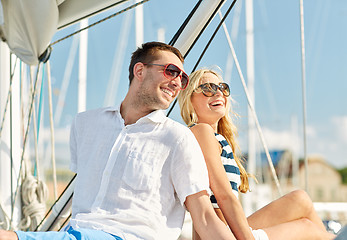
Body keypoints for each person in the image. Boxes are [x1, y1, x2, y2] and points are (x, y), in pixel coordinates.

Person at [0, 42, 236, 240]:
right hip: (77, 233)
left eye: (182, 78)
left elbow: (204, 216)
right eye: (170, 71)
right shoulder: (85, 124)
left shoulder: (178, 138)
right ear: (140, 71)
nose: (177, 83)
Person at [177, 67, 336, 240]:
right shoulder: (201, 131)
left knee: (300, 199)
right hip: (221, 235)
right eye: (208, 88)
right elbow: (224, 196)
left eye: (223, 88)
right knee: (307, 227)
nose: (218, 93)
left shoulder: (216, 138)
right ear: (189, 99)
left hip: (230, 231)